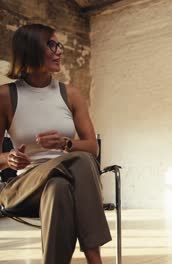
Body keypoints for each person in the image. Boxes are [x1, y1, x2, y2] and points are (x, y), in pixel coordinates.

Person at [0, 24, 111, 264]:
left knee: (59, 187)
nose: (59, 51)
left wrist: (66, 144)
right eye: (51, 44)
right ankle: (95, 260)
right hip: (25, 187)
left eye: (59, 45)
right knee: (80, 161)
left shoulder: (70, 94)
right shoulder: (5, 96)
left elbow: (93, 147)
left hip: (65, 187)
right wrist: (8, 158)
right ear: (30, 49)